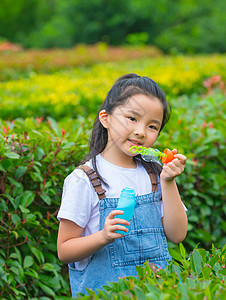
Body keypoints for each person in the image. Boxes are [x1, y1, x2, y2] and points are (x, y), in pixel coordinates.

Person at [57, 73, 188, 296]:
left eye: (153, 126)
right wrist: (102, 237)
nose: (141, 131)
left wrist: (168, 181)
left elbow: (177, 235)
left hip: (155, 292)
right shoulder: (84, 180)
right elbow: (64, 249)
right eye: (132, 118)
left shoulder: (154, 174)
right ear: (106, 118)